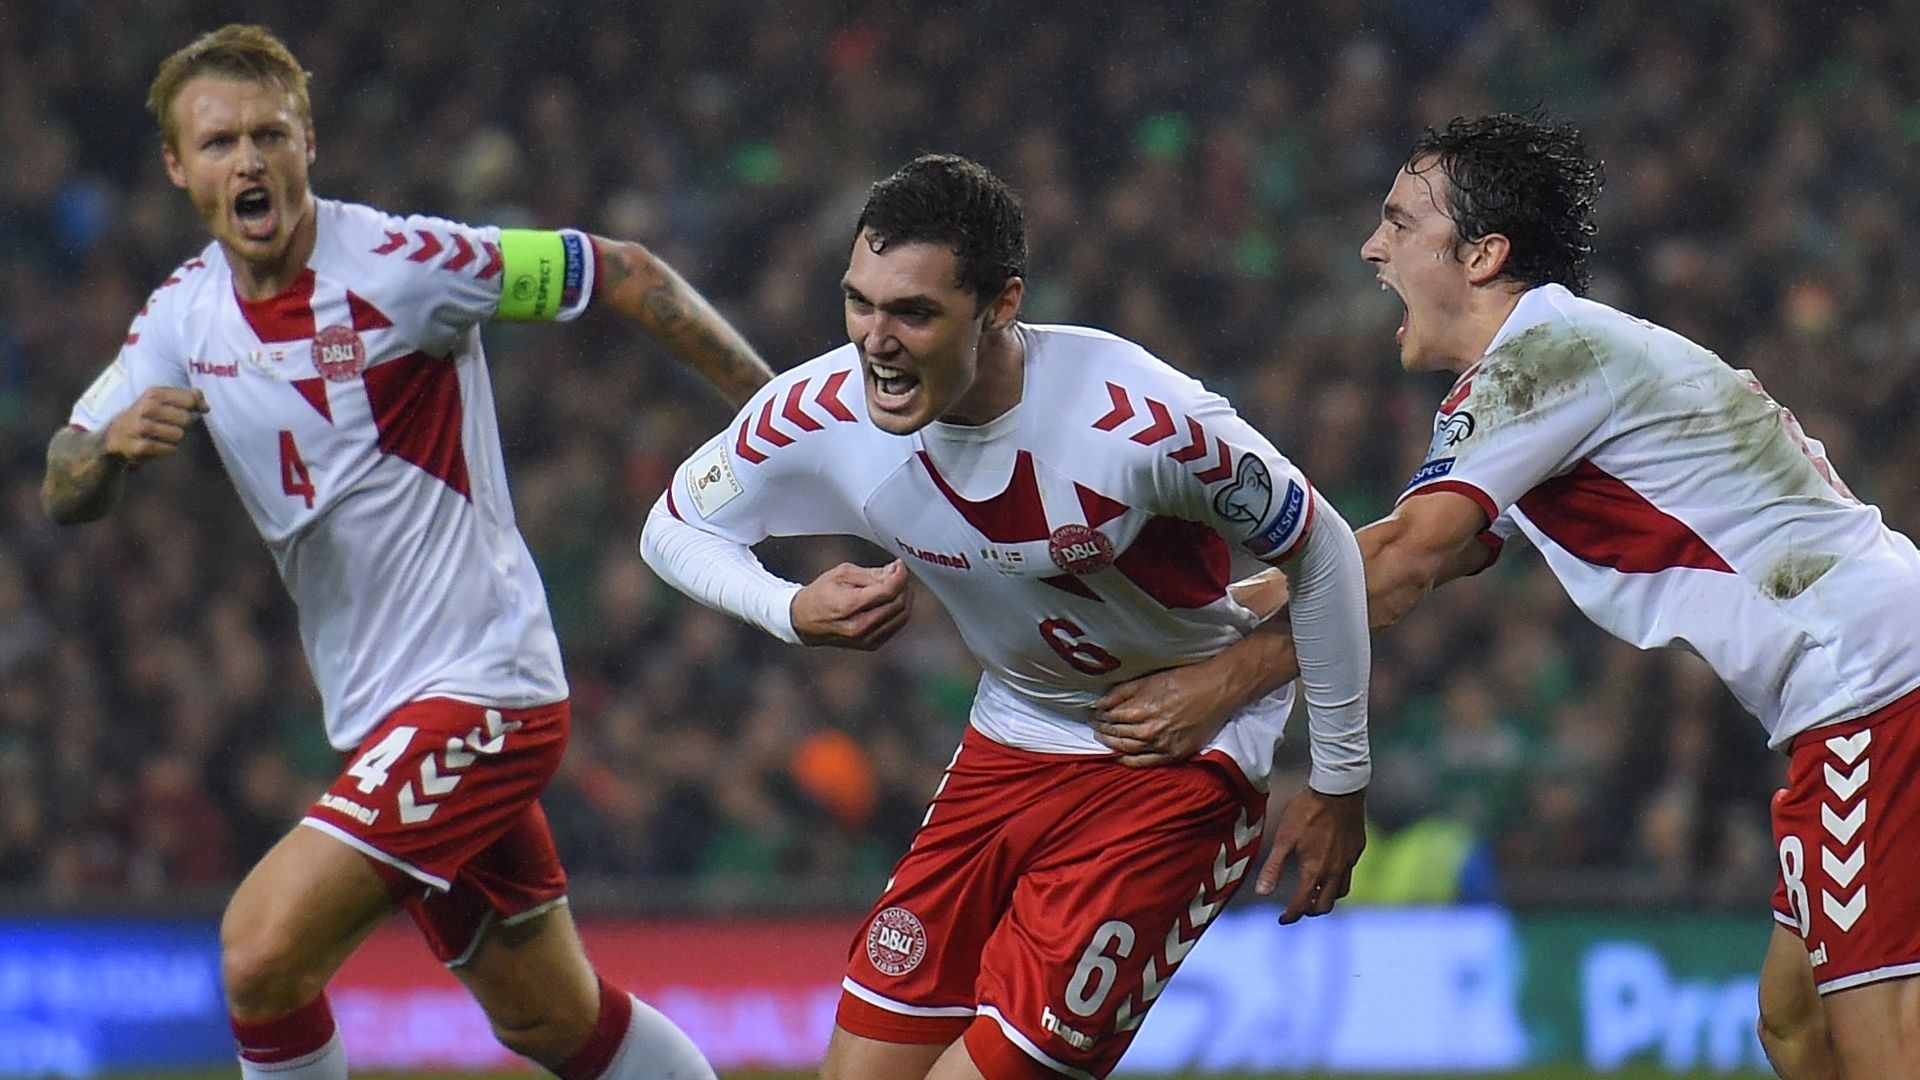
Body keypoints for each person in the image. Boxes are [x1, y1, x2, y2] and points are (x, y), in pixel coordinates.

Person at [1086, 111, 1920, 1079]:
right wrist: (1217, 616)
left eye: (1400, 223)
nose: (1372, 246)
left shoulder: (1540, 360)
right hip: (1865, 674)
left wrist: (1223, 682)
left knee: (1880, 1039)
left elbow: (1398, 563)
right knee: (1794, 1021)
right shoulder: (1542, 377)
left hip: (1868, 681)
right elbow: (1415, 560)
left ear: (1481, 255)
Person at [41, 24, 772, 1080]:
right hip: (382, 712)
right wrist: (104, 453)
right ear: (176, 167)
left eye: (268, 135)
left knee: (258, 954)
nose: (247, 160)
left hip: (485, 689)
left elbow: (621, 270)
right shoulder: (181, 316)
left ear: (308, 146)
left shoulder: (403, 266)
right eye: (218, 143)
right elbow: (65, 474)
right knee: (549, 1018)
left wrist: (790, 414)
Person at [639, 153, 1373, 1080]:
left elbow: (1324, 548)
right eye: (859, 302)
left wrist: (1340, 778)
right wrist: (790, 608)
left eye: (914, 312)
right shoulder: (823, 408)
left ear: (1001, 305)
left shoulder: (1142, 422)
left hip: (1169, 766)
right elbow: (674, 527)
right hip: (1006, 745)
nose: (876, 340)